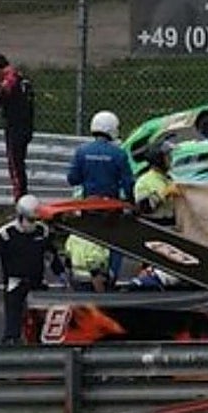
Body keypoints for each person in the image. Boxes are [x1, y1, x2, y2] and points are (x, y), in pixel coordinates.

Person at [0, 194, 66, 345]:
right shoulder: (5, 234)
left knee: (42, 321)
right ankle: (12, 343)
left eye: (37, 220)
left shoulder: (43, 231)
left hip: (37, 281)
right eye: (31, 220)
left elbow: (51, 254)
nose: (34, 224)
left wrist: (60, 273)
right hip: (15, 283)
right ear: (20, 216)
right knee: (13, 321)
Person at [68, 110, 134, 289]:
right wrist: (132, 202)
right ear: (112, 128)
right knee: (114, 244)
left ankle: (84, 274)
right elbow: (128, 183)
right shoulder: (118, 154)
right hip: (111, 209)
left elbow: (72, 178)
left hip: (88, 206)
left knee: (90, 240)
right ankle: (110, 277)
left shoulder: (82, 152)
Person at [0, 54, 35, 202]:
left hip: (15, 129)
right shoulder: (22, 79)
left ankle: (20, 200)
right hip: (27, 127)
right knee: (20, 165)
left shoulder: (7, 82)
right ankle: (23, 198)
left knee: (15, 167)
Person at [135, 140, 178, 228]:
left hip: (172, 225)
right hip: (156, 228)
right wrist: (163, 194)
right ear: (158, 159)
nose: (171, 159)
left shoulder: (170, 179)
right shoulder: (144, 181)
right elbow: (144, 208)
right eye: (167, 156)